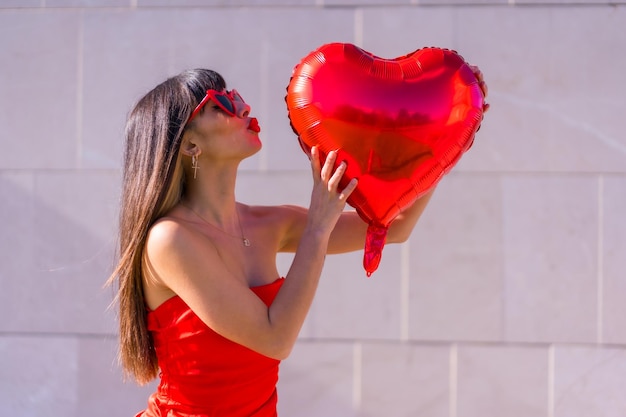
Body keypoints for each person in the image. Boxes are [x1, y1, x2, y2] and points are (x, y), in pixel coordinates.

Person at [107, 67, 488, 417]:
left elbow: (396, 227)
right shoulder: (169, 239)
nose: (243, 107)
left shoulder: (269, 222)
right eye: (220, 103)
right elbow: (274, 338)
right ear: (190, 145)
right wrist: (318, 227)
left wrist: (449, 130)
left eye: (236, 95)